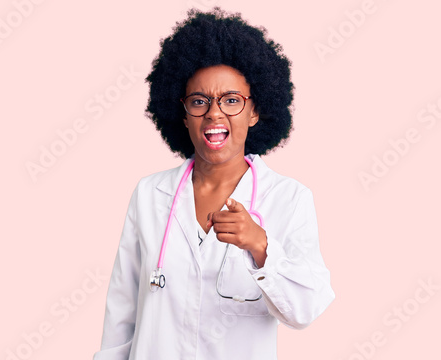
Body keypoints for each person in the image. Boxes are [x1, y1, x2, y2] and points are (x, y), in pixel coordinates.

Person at [93, 8, 335, 360]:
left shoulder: (289, 199)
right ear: (182, 113)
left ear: (255, 111)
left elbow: (305, 310)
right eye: (199, 101)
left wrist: (261, 245)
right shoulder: (149, 195)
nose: (214, 114)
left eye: (232, 100)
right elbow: (122, 310)